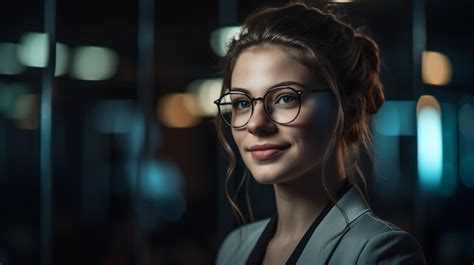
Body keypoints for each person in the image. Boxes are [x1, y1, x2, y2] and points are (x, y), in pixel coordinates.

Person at [213, 2, 426, 265]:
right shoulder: (235, 249)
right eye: (242, 103)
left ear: (350, 110)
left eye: (285, 98)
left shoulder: (380, 252)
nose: (256, 124)